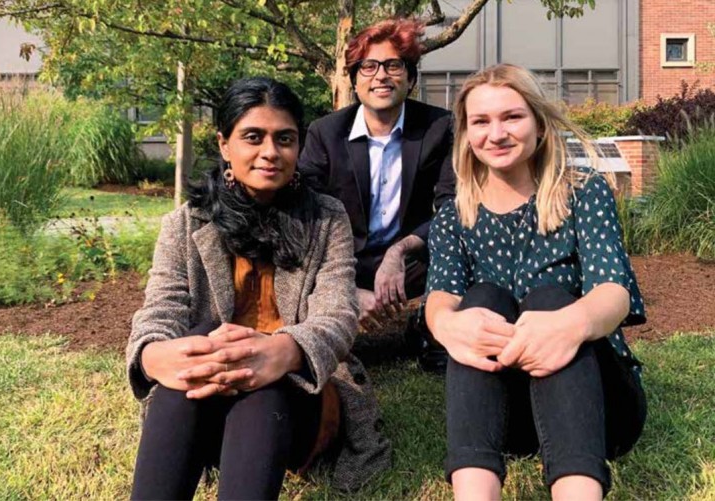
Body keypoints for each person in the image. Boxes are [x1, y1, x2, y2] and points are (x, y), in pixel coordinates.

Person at [126, 77, 390, 500]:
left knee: (263, 384)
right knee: (186, 369)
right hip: (205, 397)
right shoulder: (186, 223)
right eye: (253, 137)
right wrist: (155, 355)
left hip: (297, 400)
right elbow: (160, 310)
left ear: (299, 146)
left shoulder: (326, 219)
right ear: (224, 144)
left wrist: (279, 351)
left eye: (284, 139)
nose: (270, 152)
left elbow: (337, 315)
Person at [424, 64, 647, 500]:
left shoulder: (583, 192)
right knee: (480, 301)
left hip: (596, 409)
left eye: (512, 117)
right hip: (508, 417)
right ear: (467, 135)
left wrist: (570, 324)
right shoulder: (454, 214)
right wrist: (449, 326)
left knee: (548, 301)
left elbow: (614, 292)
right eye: (481, 122)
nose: (497, 133)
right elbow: (440, 298)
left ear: (539, 125)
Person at [298, 18, 455, 371]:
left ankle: (432, 328)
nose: (380, 75)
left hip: (411, 258)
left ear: (410, 78)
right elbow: (305, 211)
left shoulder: (439, 128)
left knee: (462, 240)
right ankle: (328, 327)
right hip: (344, 256)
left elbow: (451, 206)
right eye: (368, 66)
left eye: (393, 65)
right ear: (354, 80)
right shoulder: (326, 133)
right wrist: (345, 287)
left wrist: (399, 251)